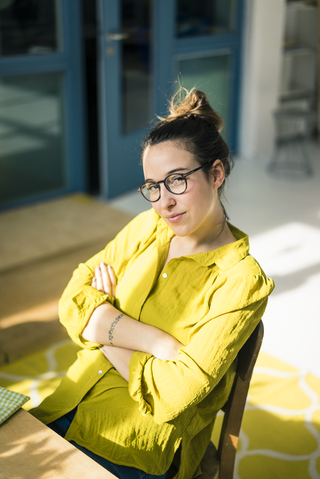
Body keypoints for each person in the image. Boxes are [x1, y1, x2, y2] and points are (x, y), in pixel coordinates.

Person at [30, 88, 274, 479]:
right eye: (153, 186)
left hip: (137, 446)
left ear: (216, 173)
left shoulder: (241, 281)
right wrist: (156, 342)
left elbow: (171, 397)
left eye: (177, 180)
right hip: (68, 402)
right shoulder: (148, 227)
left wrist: (103, 322)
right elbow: (72, 299)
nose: (164, 202)